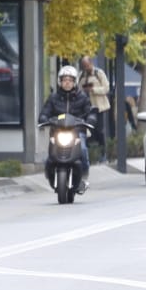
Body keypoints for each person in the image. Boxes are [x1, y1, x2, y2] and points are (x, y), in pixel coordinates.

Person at [39, 64, 94, 194]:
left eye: (70, 80)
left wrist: (91, 120)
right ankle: (50, 173)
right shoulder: (53, 97)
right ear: (60, 81)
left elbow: (90, 111)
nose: (67, 83)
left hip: (77, 131)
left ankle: (84, 179)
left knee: (84, 151)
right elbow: (45, 111)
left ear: (74, 82)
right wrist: (43, 118)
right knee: (49, 157)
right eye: (64, 80)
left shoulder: (82, 97)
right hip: (58, 131)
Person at [78, 55, 112, 164]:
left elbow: (106, 88)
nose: (86, 68)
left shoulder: (99, 73)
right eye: (84, 66)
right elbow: (78, 89)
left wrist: (93, 89)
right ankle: (91, 155)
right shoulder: (81, 76)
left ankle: (103, 154)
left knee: (99, 131)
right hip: (86, 108)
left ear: (91, 63)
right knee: (87, 131)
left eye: (87, 65)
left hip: (98, 107)